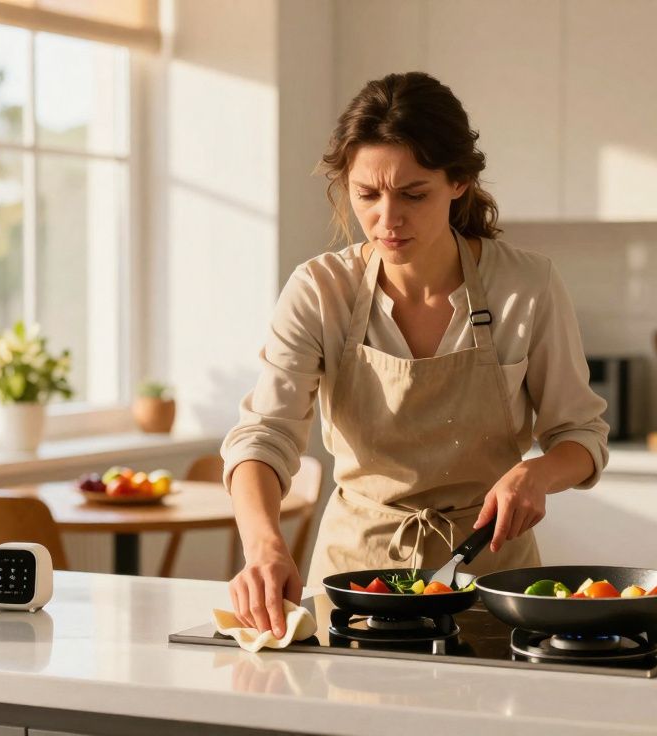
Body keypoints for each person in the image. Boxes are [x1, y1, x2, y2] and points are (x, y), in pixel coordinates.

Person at [220, 71, 609, 637]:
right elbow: (264, 435)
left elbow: (581, 434)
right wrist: (263, 547)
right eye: (367, 194)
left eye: (413, 194)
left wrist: (537, 475)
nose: (387, 219)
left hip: (493, 582)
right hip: (355, 581)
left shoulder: (526, 286)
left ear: (459, 182)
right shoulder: (319, 290)